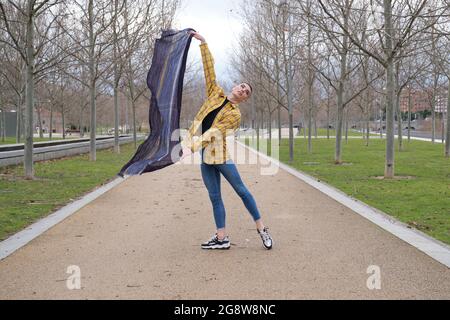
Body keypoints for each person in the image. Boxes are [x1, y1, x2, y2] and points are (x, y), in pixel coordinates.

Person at [180, 31, 273, 250]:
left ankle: (262, 229)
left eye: (246, 91)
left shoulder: (235, 115)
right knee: (214, 197)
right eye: (242, 86)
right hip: (205, 155)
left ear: (245, 98)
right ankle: (222, 238)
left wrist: (191, 147)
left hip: (219, 156)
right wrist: (203, 44)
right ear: (234, 87)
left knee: (241, 190)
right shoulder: (216, 93)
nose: (243, 89)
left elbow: (214, 133)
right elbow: (209, 70)